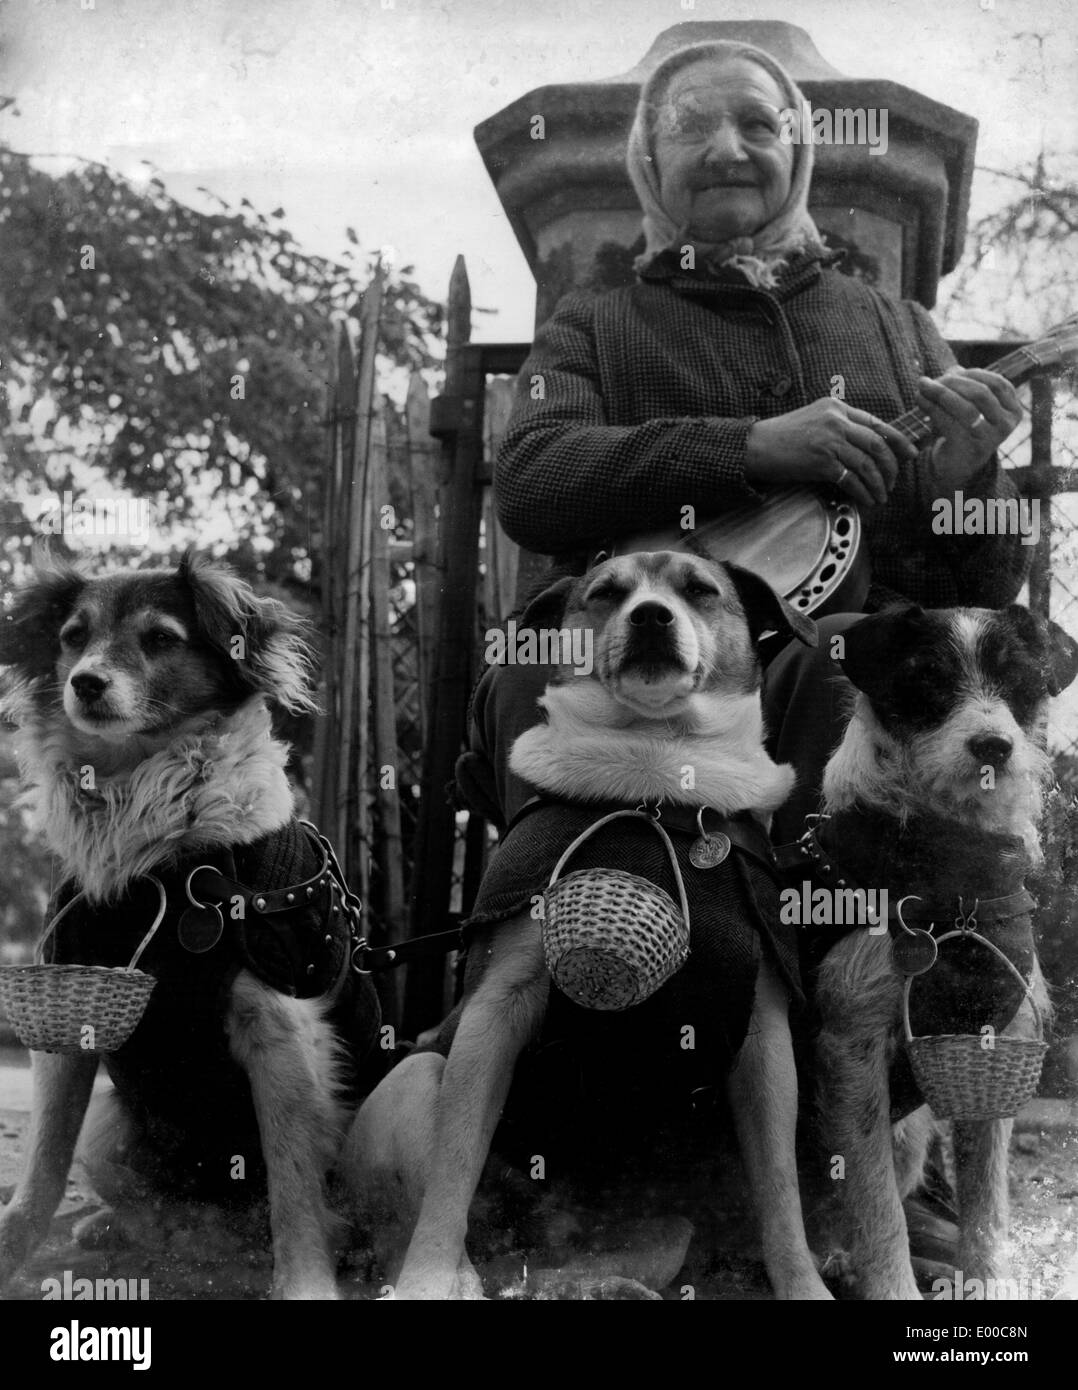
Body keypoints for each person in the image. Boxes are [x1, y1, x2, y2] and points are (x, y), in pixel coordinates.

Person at [462, 37, 1028, 843]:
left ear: (797, 152)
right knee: (535, 659)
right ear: (649, 159)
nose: (728, 148)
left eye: (760, 125)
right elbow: (533, 481)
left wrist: (965, 484)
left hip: (828, 651)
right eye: (692, 126)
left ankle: (809, 941)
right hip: (630, 632)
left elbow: (990, 586)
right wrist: (748, 447)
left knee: (838, 660)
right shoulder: (591, 321)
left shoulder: (901, 329)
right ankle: (550, 917)